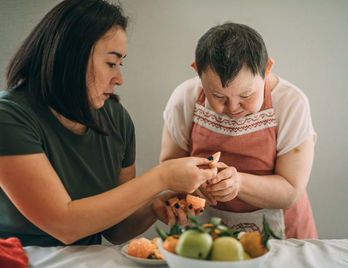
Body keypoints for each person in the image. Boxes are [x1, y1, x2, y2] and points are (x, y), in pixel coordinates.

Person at [0, 0, 216, 247]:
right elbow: (65, 226)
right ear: (71, 57)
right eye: (111, 63)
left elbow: (115, 231)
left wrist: (154, 207)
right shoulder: (8, 117)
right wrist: (162, 177)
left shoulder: (116, 118)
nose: (119, 78)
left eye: (120, 64)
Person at [160, 22, 318, 239]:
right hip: (203, 232)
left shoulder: (291, 103)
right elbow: (168, 168)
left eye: (246, 96)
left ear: (267, 69)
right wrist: (188, 189)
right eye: (218, 96)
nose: (233, 108)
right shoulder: (185, 98)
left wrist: (238, 183)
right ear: (198, 71)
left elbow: (291, 190)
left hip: (281, 236)